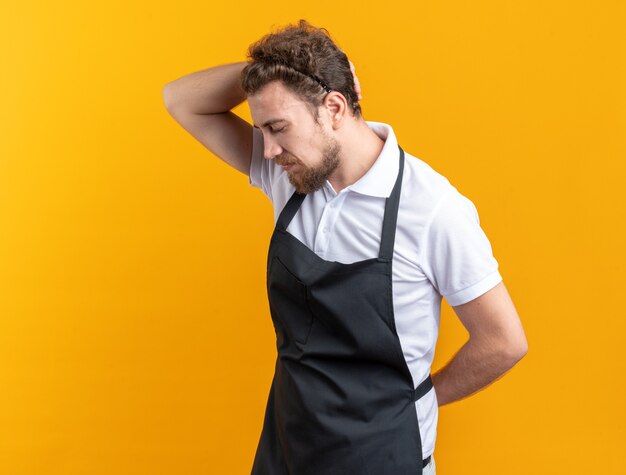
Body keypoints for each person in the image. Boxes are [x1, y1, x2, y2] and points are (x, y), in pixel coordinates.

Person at [163, 19, 528, 475]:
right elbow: (180, 100)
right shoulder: (290, 176)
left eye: (278, 127)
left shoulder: (433, 209)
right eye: (264, 130)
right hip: (288, 450)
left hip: (381, 456)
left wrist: (420, 398)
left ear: (334, 107)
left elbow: (505, 340)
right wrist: (275, 71)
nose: (269, 149)